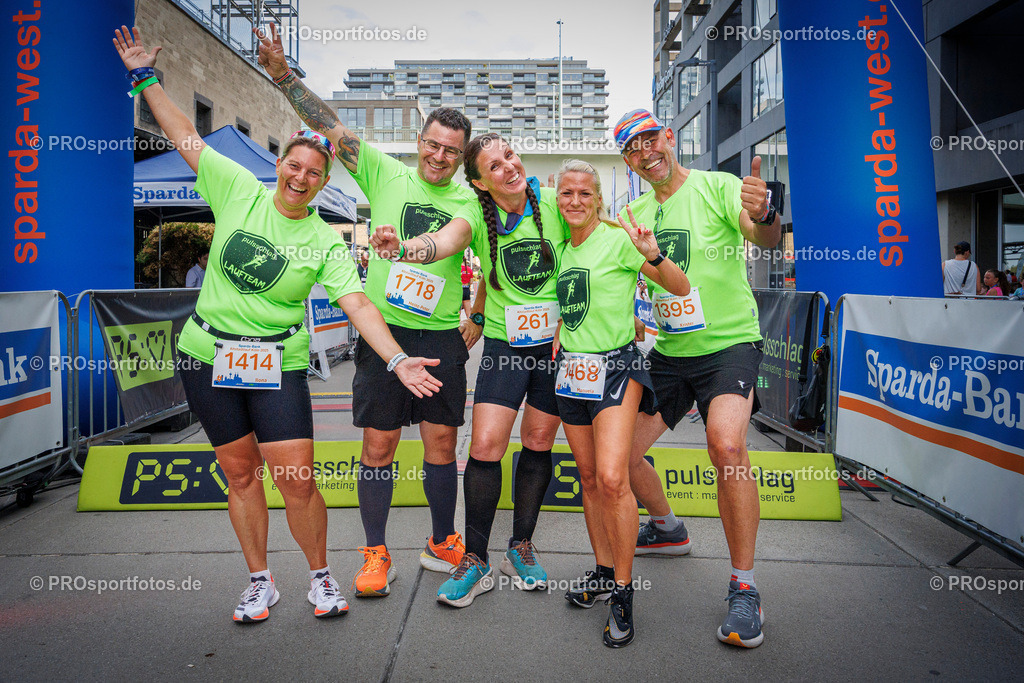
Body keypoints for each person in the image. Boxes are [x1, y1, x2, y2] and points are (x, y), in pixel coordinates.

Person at [113, 25, 442, 623]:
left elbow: (359, 305)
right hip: (207, 356)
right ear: (281, 165)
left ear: (323, 182)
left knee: (294, 479)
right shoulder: (237, 188)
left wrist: (396, 359)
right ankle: (260, 581)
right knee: (240, 476)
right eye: (294, 166)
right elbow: (183, 134)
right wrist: (144, 77)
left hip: (275, 362)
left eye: (314, 173)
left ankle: (320, 577)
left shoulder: (323, 239)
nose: (301, 177)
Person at [257, 24, 474, 597]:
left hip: (441, 338)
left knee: (442, 446)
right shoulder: (384, 171)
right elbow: (330, 125)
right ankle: (376, 553)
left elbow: (452, 238)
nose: (439, 156)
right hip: (384, 335)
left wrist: (409, 248)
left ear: (460, 158)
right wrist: (283, 76)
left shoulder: (467, 198)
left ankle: (442, 540)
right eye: (432, 144)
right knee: (377, 447)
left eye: (451, 151)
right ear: (420, 141)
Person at [370, 133, 567, 608]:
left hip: (558, 347)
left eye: (510, 157)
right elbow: (447, 241)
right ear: (479, 181)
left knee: (538, 443)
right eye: (494, 167)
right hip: (505, 346)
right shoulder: (476, 212)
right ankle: (475, 559)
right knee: (484, 446)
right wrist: (403, 249)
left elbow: (593, 254)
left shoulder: (558, 202)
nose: (508, 168)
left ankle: (520, 547)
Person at [614, 109, 781, 648]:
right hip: (669, 351)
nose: (646, 152)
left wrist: (768, 212)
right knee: (621, 454)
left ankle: (745, 586)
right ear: (628, 161)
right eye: (633, 148)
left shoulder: (718, 186)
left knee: (726, 446)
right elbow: (627, 279)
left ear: (670, 137)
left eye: (651, 139)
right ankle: (666, 527)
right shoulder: (632, 213)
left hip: (729, 345)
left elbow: (765, 239)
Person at [554, 159, 689, 648]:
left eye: (584, 194)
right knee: (588, 479)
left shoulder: (618, 240)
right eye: (566, 193)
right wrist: (558, 333)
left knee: (613, 478)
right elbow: (572, 304)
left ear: (598, 200)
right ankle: (603, 570)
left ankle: (625, 592)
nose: (574, 201)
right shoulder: (563, 249)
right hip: (573, 372)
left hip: (617, 369)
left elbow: (679, 287)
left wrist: (652, 256)